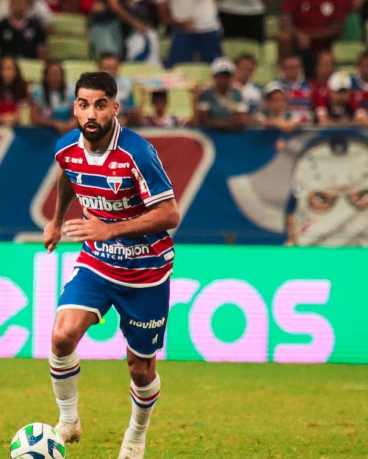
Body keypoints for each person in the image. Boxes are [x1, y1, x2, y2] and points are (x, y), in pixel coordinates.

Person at [43, 71, 179, 459]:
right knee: (62, 336)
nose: (92, 112)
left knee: (140, 368)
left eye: (100, 104)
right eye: (84, 104)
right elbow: (70, 176)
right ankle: (68, 420)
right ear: (74, 107)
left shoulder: (137, 153)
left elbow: (170, 213)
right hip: (98, 263)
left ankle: (136, 435)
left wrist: (111, 228)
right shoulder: (66, 147)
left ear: (115, 108)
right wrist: (56, 220)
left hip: (146, 270)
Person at [279, 0, 349, 77]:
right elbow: (285, 20)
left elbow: (337, 29)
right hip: (297, 43)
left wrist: (309, 37)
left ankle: (322, 86)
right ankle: (284, 77)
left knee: (326, 58)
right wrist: (299, 35)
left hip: (323, 45)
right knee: (284, 37)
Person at [155, 0, 223, 67]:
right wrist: (181, 24)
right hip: (182, 32)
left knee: (215, 70)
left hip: (209, 29)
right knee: (177, 70)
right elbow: (163, 17)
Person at [193, 57, 248, 130]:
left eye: (227, 76)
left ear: (232, 77)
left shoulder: (237, 94)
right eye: (220, 75)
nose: (224, 79)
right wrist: (227, 124)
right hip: (211, 135)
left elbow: (238, 119)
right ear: (214, 76)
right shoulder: (206, 94)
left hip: (232, 136)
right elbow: (204, 120)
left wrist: (218, 124)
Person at [0, 55, 30, 126]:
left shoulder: (23, 85)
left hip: (15, 125)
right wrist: (2, 118)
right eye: (3, 69)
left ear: (16, 71)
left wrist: (12, 118)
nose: (6, 72)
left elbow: (22, 113)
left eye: (10, 69)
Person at [30, 60, 76, 133]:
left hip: (67, 130)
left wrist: (69, 125)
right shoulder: (38, 90)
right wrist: (55, 124)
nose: (54, 78)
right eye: (51, 75)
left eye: (57, 75)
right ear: (45, 77)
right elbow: (35, 118)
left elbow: (76, 117)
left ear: (62, 76)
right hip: (44, 131)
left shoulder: (71, 90)